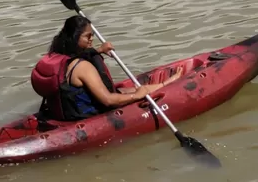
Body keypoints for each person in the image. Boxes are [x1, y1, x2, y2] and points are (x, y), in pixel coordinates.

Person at [31, 14, 186, 121]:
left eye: (92, 35)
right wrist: (138, 96)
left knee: (127, 90)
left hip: (64, 111)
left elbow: (82, 56)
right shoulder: (82, 67)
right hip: (83, 115)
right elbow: (108, 101)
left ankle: (166, 83)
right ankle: (168, 83)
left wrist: (99, 50)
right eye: (88, 37)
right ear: (74, 38)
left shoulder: (59, 54)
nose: (92, 40)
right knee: (135, 92)